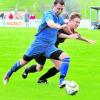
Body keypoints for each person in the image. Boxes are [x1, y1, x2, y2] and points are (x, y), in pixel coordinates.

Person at [3, 0, 78, 88]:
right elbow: (50, 24)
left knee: (66, 58)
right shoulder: (48, 14)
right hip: (37, 46)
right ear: (54, 6)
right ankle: (8, 74)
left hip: (50, 47)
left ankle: (61, 82)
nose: (60, 11)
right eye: (58, 8)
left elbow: (65, 27)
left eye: (61, 9)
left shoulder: (59, 18)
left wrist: (72, 34)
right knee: (22, 63)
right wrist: (60, 26)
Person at [22, 12, 96, 84]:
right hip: (43, 46)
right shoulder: (62, 25)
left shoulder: (71, 30)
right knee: (39, 68)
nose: (77, 24)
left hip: (52, 48)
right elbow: (58, 34)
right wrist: (69, 36)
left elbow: (77, 36)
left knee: (57, 67)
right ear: (70, 20)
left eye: (79, 23)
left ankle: (40, 78)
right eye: (76, 22)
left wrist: (87, 40)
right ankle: (27, 70)